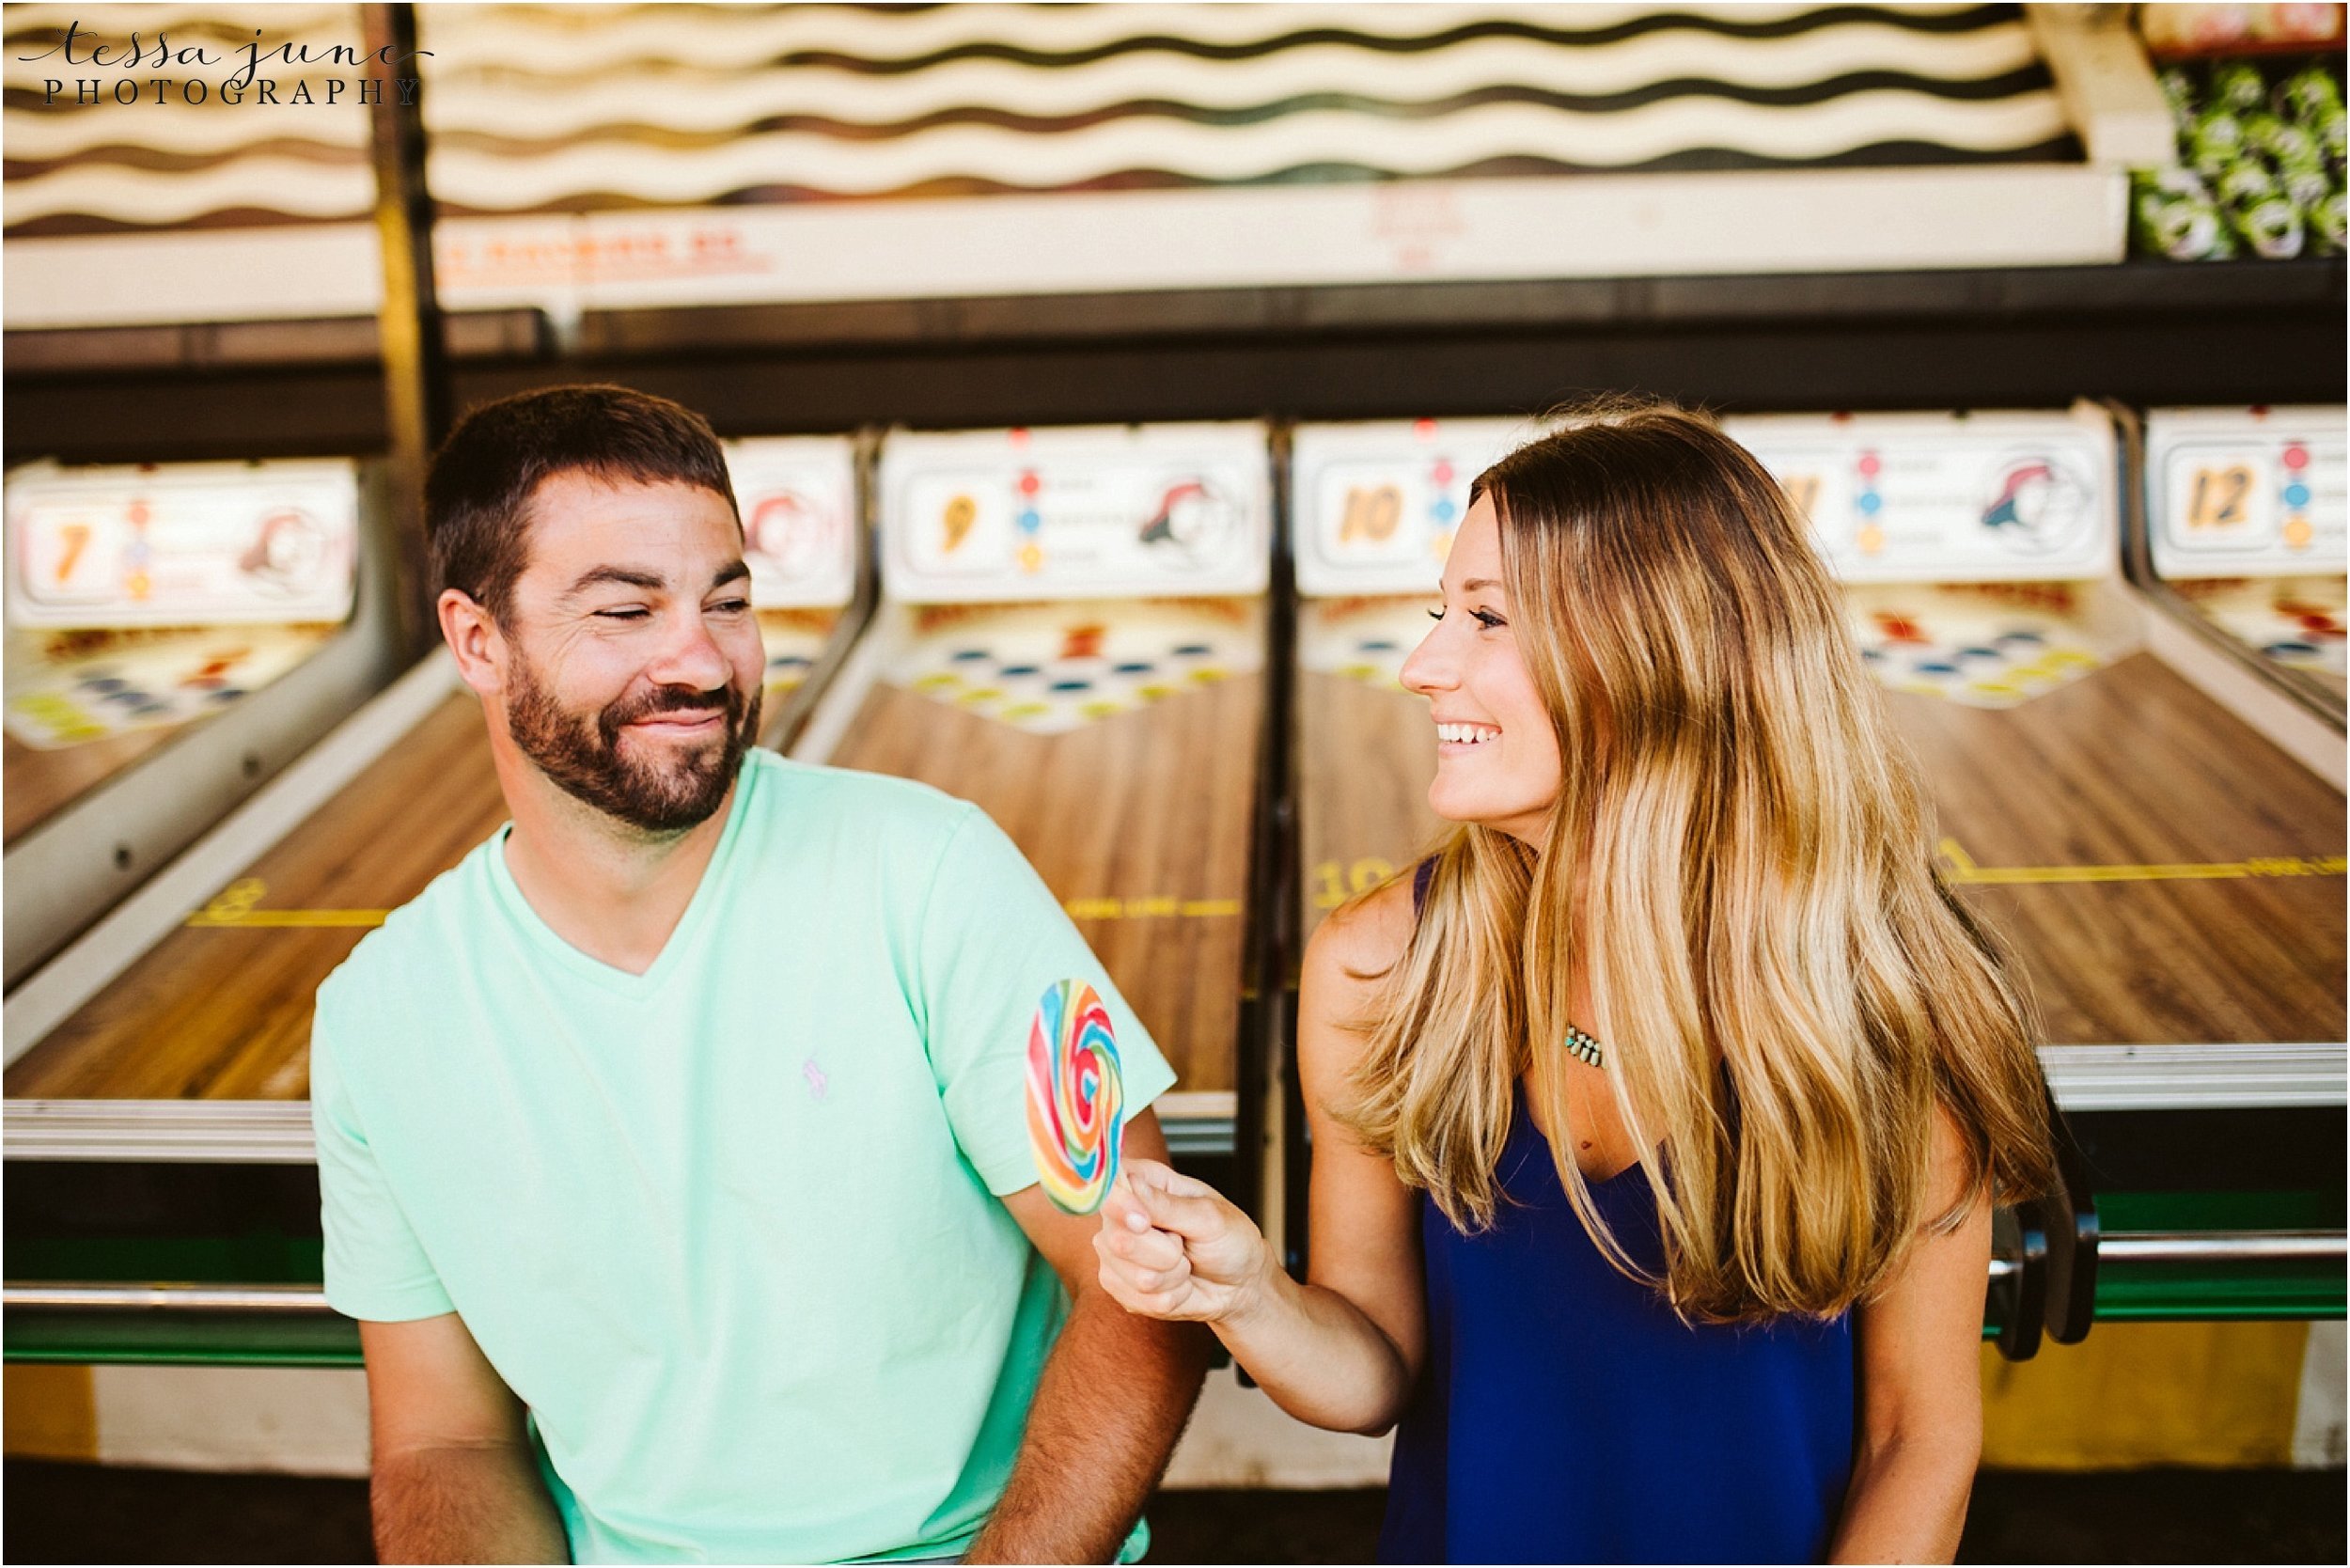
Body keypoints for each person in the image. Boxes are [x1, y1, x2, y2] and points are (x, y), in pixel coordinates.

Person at [1094, 402, 2056, 1563]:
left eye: (1485, 618)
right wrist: (1245, 1294)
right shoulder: (1381, 970)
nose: (1420, 665)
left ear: (1652, 655)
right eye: (1437, 613)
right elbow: (1371, 1375)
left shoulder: (1879, 998)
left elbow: (1918, 1439)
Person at [311, 384, 1206, 1563]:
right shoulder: (382, 1015)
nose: (699, 657)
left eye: (726, 600)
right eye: (626, 610)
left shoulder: (930, 874)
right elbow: (444, 1443)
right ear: (478, 641)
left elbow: (1146, 1290)